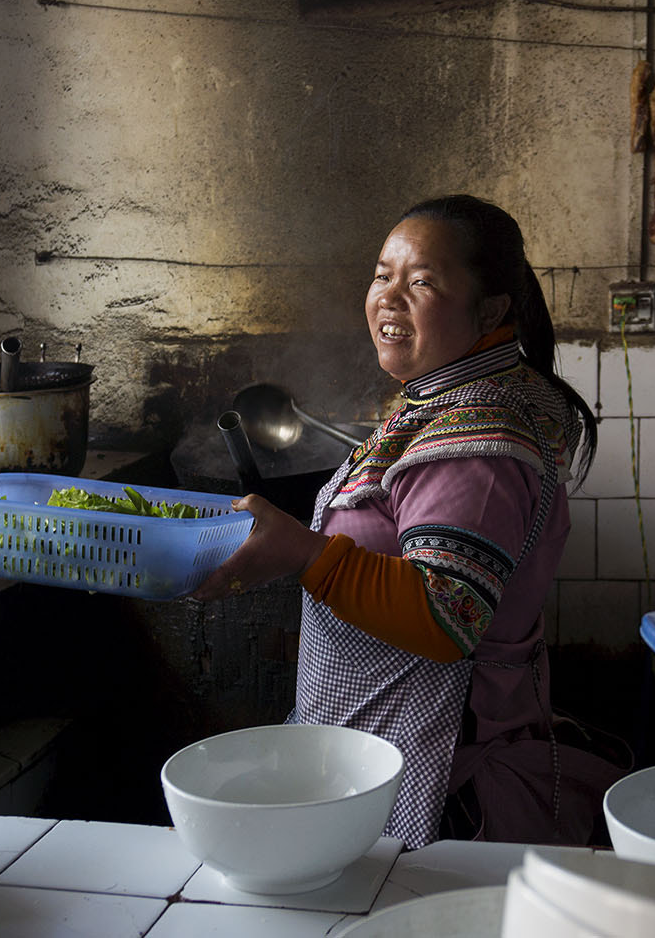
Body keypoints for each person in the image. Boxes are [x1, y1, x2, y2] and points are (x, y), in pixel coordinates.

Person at [192, 194, 625, 849]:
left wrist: (303, 554)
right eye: (381, 275)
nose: (389, 298)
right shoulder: (461, 396)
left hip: (436, 777)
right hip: (389, 747)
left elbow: (442, 615)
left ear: (491, 309)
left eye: (421, 282)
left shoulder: (477, 428)